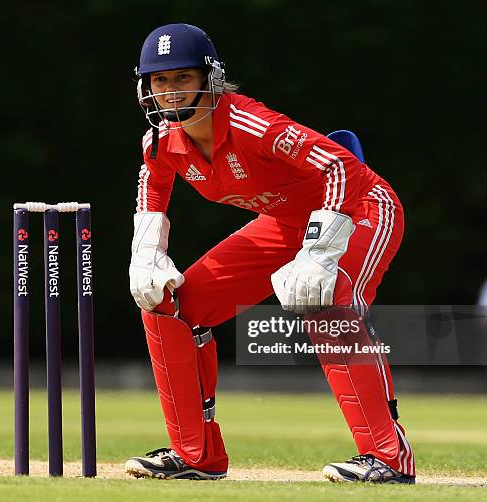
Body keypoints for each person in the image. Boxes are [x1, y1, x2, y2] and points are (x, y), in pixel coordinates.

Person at [125, 23, 415, 484]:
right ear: (147, 88)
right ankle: (196, 454)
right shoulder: (161, 143)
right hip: (283, 225)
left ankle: (388, 457)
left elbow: (342, 165)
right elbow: (152, 187)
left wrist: (320, 253)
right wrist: (147, 253)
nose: (171, 91)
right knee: (167, 302)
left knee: (326, 301)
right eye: (161, 81)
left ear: (210, 78)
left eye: (183, 78)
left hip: (360, 207)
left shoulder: (249, 123)